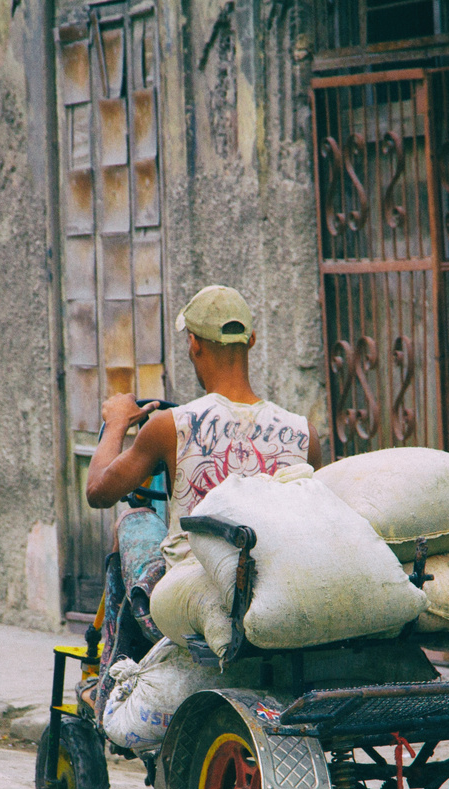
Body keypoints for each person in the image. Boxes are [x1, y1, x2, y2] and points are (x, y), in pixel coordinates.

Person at [77, 285, 322, 718]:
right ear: (251, 340)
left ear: (193, 343)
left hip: (193, 594)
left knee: (132, 520)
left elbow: (98, 491)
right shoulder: (302, 433)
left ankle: (111, 676)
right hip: (274, 588)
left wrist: (117, 422)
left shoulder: (170, 426)